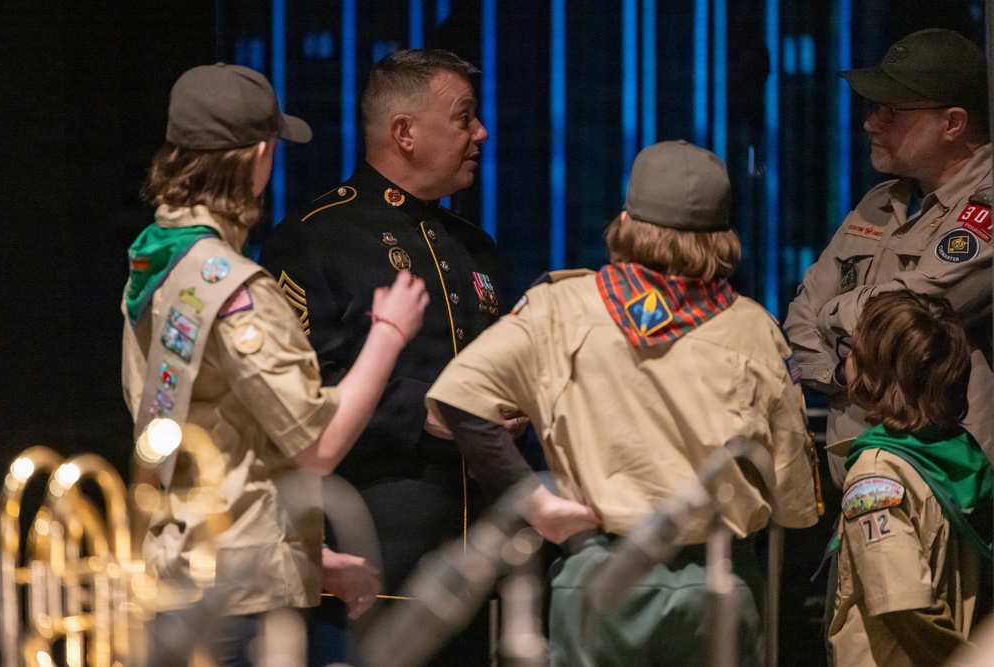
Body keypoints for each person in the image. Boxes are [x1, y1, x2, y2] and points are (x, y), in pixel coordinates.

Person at [425, 140, 823, 666]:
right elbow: (793, 491)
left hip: (599, 573)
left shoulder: (559, 307)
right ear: (722, 237)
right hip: (718, 576)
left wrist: (532, 502)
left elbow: (455, 400)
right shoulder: (752, 327)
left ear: (625, 221)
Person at [121, 62, 428, 666]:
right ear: (259, 156)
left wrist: (303, 561)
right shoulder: (236, 288)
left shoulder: (156, 266)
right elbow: (318, 445)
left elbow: (213, 441)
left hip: (179, 573)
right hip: (234, 604)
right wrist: (388, 334)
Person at [260, 48, 523, 663]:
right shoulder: (314, 237)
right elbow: (293, 398)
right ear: (405, 132)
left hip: (480, 566)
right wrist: (422, 412)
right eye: (464, 117)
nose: (480, 132)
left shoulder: (476, 248)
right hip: (375, 565)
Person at [783, 28, 993, 487]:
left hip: (942, 482)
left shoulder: (985, 205)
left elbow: (919, 302)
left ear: (952, 123)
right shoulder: (880, 202)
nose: (870, 123)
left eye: (891, 111)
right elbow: (800, 317)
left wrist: (833, 314)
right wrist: (840, 372)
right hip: (857, 475)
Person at [827, 290, 993, 666]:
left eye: (854, 350)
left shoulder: (877, 472)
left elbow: (904, 607)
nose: (847, 359)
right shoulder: (961, 453)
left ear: (878, 370)